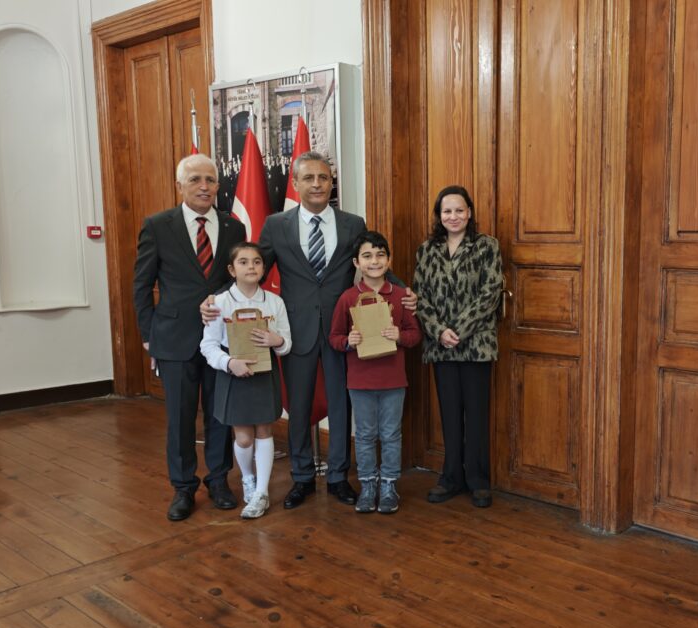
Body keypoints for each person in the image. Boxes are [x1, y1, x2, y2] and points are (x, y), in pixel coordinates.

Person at [201, 151, 415, 510]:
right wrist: (218, 297)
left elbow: (371, 263)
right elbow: (251, 269)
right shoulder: (276, 225)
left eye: (324, 178)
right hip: (294, 329)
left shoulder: (351, 222)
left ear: (332, 184)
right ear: (296, 183)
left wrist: (405, 291)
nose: (317, 184)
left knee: (340, 403)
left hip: (343, 330)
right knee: (297, 406)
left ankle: (337, 477)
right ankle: (301, 477)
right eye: (309, 178)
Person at [133, 153, 246, 521]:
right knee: (180, 418)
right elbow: (141, 284)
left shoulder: (233, 228)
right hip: (174, 338)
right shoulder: (157, 225)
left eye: (210, 180)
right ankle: (183, 488)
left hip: (222, 337)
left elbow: (236, 281)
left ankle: (218, 481)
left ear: (218, 184)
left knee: (220, 414)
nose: (204, 186)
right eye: (195, 179)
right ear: (179, 185)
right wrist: (150, 335)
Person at [413, 185, 504, 508]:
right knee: (449, 414)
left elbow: (490, 293)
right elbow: (419, 296)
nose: (453, 216)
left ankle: (479, 480)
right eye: (447, 211)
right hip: (441, 347)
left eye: (459, 210)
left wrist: (459, 330)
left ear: (470, 213)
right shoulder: (426, 250)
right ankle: (451, 477)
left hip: (476, 345)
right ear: (439, 215)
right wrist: (439, 331)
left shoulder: (487, 247)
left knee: (476, 415)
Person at [329, 231, 421, 514]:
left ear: (389, 259)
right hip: (360, 381)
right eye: (367, 256)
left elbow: (414, 334)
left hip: (393, 380)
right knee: (366, 435)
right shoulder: (347, 298)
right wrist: (348, 342)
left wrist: (399, 336)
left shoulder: (401, 296)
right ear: (356, 262)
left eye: (380, 255)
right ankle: (368, 484)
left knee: (391, 434)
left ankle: (389, 484)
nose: (374, 261)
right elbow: (334, 337)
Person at [199, 242, 292, 519]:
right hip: (235, 373)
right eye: (243, 262)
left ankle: (261, 492)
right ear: (231, 268)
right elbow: (208, 345)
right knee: (243, 436)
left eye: (256, 262)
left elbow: (286, 343)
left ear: (264, 268)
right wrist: (230, 363)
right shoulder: (219, 302)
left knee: (265, 431)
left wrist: (278, 341)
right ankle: (248, 479)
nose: (251, 267)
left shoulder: (275, 302)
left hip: (265, 374)